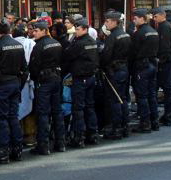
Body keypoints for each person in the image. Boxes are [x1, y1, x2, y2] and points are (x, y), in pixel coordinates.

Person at [0, 22, 28, 164]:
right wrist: (19, 84)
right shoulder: (18, 45)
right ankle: (17, 149)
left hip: (2, 85)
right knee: (13, 117)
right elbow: (25, 69)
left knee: (2, 119)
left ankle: (3, 152)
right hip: (14, 83)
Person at [28, 21, 65, 155]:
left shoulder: (39, 46)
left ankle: (43, 145)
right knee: (57, 112)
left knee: (43, 113)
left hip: (44, 81)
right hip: (56, 78)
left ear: (44, 31)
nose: (34, 33)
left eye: (36, 31)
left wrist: (35, 77)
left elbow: (34, 66)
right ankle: (60, 142)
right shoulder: (56, 43)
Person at [62, 19, 99, 147]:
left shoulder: (79, 43)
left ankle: (79, 136)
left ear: (84, 29)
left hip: (80, 78)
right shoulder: (93, 42)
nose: (76, 32)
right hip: (90, 77)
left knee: (78, 108)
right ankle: (92, 133)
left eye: (78, 29)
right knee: (89, 106)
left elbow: (68, 56)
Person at [99, 11, 131, 140]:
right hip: (124, 68)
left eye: (107, 21)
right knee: (122, 98)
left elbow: (106, 55)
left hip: (114, 70)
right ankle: (125, 125)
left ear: (114, 21)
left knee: (115, 100)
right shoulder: (125, 35)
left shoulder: (112, 37)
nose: (105, 23)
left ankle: (116, 128)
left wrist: (102, 66)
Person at [129, 9, 160, 133]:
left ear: (142, 18)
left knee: (142, 96)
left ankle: (145, 124)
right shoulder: (154, 31)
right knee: (152, 94)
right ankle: (155, 121)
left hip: (141, 66)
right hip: (152, 64)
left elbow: (133, 52)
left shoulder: (139, 33)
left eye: (135, 18)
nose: (133, 20)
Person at [152, 7, 171, 126]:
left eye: (155, 16)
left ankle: (168, 116)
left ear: (161, 15)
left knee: (167, 89)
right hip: (166, 61)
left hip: (165, 62)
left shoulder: (164, 27)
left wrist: (160, 60)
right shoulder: (164, 26)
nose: (154, 19)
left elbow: (165, 46)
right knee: (167, 89)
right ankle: (167, 115)